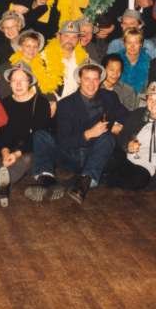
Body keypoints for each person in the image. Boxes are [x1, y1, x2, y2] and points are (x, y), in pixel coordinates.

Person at [26, 61, 127, 204]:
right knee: (41, 135)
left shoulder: (109, 97)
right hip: (70, 155)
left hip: (95, 155)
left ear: (100, 80)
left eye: (95, 79)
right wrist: (88, 134)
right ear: (79, 80)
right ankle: (46, 179)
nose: (91, 84)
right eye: (87, 79)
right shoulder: (65, 104)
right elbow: (64, 141)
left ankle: (83, 184)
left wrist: (118, 124)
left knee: (108, 137)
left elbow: (126, 115)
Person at [0, 63, 51, 207]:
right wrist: (5, 151)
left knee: (26, 159)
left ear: (30, 82)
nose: (18, 84)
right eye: (14, 80)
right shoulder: (5, 103)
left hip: (30, 149)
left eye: (22, 80)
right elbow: (3, 132)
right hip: (10, 149)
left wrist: (16, 154)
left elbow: (38, 135)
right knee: (3, 161)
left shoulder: (41, 103)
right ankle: (2, 185)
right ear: (10, 83)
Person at [43, 20, 88, 101]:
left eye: (74, 37)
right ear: (58, 36)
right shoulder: (45, 56)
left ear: (78, 39)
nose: (70, 40)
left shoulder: (84, 58)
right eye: (66, 36)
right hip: (52, 102)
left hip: (75, 102)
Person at [116, 28, 152, 96]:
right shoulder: (116, 59)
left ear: (141, 44)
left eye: (136, 43)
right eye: (129, 43)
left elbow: (148, 87)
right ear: (124, 43)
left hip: (140, 97)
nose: (132, 46)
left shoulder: (148, 61)